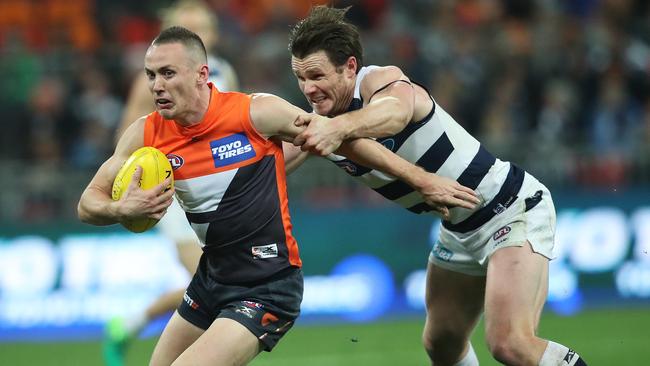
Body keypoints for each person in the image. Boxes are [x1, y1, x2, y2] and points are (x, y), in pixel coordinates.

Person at [78, 26, 479, 366]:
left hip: (267, 285)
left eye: (167, 73)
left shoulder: (254, 113)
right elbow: (88, 202)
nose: (156, 85)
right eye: (150, 75)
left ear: (202, 74)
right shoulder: (145, 134)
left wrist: (421, 179)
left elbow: (336, 137)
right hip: (210, 281)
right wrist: (119, 207)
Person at [286, 6, 587, 366]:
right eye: (300, 78)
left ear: (349, 66)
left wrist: (335, 128)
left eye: (316, 75)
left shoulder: (381, 81)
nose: (309, 89)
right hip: (458, 229)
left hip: (509, 206)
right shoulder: (319, 123)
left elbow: (394, 113)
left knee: (510, 344)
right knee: (441, 342)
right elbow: (273, 162)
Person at [104, 2, 239, 365]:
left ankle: (129, 325)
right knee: (209, 279)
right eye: (188, 26)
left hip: (218, 193)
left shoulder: (225, 72)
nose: (198, 33)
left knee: (216, 280)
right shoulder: (154, 80)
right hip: (175, 193)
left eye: (203, 27)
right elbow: (129, 136)